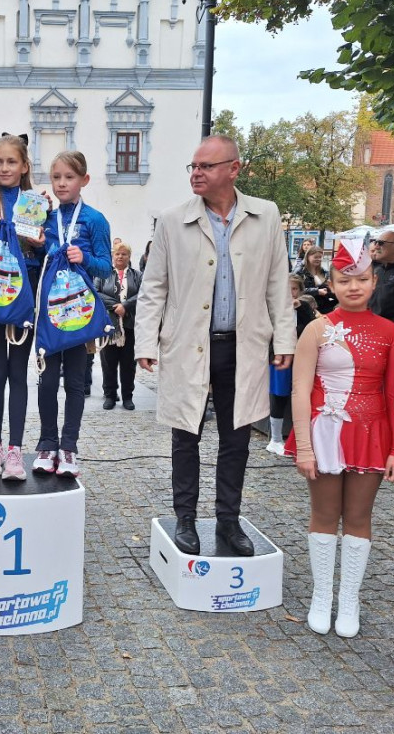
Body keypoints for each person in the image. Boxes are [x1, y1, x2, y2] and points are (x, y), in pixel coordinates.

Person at [136, 134, 296, 557]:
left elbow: (279, 282)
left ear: (234, 169)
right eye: (193, 166)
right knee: (186, 433)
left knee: (237, 437)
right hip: (188, 344)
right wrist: (145, 341)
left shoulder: (266, 215)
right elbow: (154, 287)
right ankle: (185, 519)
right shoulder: (172, 220)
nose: (197, 174)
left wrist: (284, 338)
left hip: (241, 346)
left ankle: (229, 521)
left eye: (206, 166)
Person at [285, 239, 394, 637]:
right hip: (324, 432)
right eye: (344, 279)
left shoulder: (390, 332)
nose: (354, 286)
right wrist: (303, 446)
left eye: (362, 279)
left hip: (371, 433)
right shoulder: (317, 329)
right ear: (331, 284)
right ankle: (322, 595)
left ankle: (348, 597)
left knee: (358, 516)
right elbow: (300, 390)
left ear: (374, 282)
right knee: (323, 514)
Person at [31, 150, 111, 479]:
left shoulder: (94, 220)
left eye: (69, 177)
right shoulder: (47, 218)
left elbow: (105, 268)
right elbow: (35, 261)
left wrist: (85, 258)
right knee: (47, 380)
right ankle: (47, 443)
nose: (62, 184)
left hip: (79, 310)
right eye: (57, 178)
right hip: (49, 312)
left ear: (84, 180)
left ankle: (69, 448)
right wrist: (35, 243)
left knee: (76, 382)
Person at [0, 133, 42, 480]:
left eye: (11, 161)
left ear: (24, 166)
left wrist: (37, 240)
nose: (4, 167)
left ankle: (15, 452)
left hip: (24, 293)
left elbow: (44, 249)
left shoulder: (33, 201)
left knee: (18, 373)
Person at [265, 273, 315, 456]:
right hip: (279, 357)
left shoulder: (304, 308)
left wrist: (301, 308)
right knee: (279, 396)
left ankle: (299, 438)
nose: (290, 293)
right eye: (287, 289)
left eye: (294, 289)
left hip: (302, 359)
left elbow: (311, 328)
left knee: (301, 395)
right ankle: (275, 439)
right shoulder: (273, 308)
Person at [96, 242, 141, 411]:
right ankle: (110, 395)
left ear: (129, 257)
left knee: (129, 364)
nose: (120, 257)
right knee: (108, 362)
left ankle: (128, 396)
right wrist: (116, 305)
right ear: (112, 256)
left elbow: (143, 293)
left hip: (129, 325)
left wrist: (126, 306)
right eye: (117, 254)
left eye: (124, 254)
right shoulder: (103, 275)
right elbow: (96, 292)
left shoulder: (137, 275)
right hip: (109, 325)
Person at [298, 246, 338, 315]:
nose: (318, 259)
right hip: (308, 306)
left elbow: (329, 289)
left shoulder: (324, 271)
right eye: (315, 257)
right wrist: (317, 291)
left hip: (324, 304)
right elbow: (297, 290)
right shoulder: (300, 271)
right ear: (308, 257)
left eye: (320, 257)